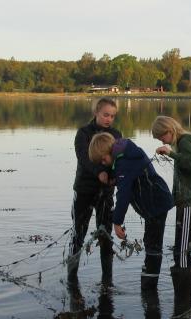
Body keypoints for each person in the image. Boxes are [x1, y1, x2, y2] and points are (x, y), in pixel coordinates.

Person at [88, 132, 174, 290]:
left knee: (153, 244)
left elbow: (124, 194)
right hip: (155, 203)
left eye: (103, 160)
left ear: (109, 151)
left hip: (156, 204)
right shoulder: (125, 154)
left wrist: (117, 222)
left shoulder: (123, 162)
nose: (103, 164)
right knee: (150, 241)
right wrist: (114, 178)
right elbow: (125, 176)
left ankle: (150, 283)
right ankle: (149, 274)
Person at [150, 115, 191, 317]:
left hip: (190, 205)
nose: (162, 141)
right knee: (181, 250)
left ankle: (183, 302)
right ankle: (184, 302)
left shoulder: (185, 141)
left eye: (161, 136)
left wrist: (172, 154)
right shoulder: (181, 143)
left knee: (180, 251)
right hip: (185, 204)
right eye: (159, 139)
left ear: (170, 130)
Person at [68, 98, 121, 284]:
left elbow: (119, 160)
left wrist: (114, 176)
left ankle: (107, 279)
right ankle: (71, 277)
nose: (109, 119)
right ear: (96, 113)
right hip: (84, 189)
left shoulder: (116, 134)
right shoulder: (83, 133)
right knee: (78, 234)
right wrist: (99, 172)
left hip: (106, 193)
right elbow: (83, 157)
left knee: (105, 235)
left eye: (112, 116)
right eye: (106, 115)